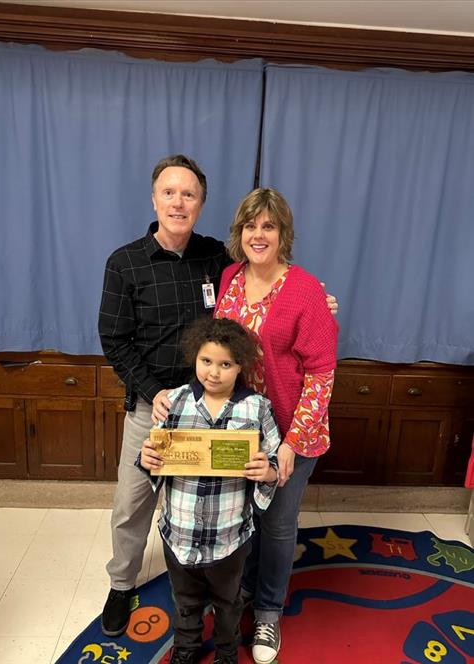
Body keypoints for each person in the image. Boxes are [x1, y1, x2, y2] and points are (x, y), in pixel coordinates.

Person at [98, 154, 338, 638]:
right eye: (169, 192)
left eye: (189, 194)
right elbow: (115, 340)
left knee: (256, 518)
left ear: (201, 204)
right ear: (154, 198)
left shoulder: (253, 274)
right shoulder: (152, 267)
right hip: (185, 411)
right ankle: (139, 586)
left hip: (262, 424)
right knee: (156, 506)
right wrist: (157, 391)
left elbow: (315, 363)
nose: (178, 202)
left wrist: (321, 302)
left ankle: (256, 607)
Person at [214, 187, 339, 664]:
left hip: (292, 431)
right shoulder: (229, 278)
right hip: (241, 427)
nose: (258, 234)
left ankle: (269, 610)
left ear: (283, 233)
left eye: (268, 226)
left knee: (278, 522)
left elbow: (322, 375)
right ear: (239, 232)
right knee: (247, 516)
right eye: (250, 225)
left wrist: (291, 444)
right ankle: (245, 589)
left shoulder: (306, 290)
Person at [138, 316, 281, 664]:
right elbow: (153, 455)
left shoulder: (257, 407)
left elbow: (274, 457)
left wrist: (268, 471)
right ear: (195, 358)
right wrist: (148, 460)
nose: (213, 373)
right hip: (180, 531)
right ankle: (185, 648)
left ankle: (227, 651)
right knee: (185, 600)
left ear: (240, 366)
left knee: (228, 601)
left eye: (225, 364)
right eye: (206, 361)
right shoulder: (175, 402)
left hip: (229, 534)